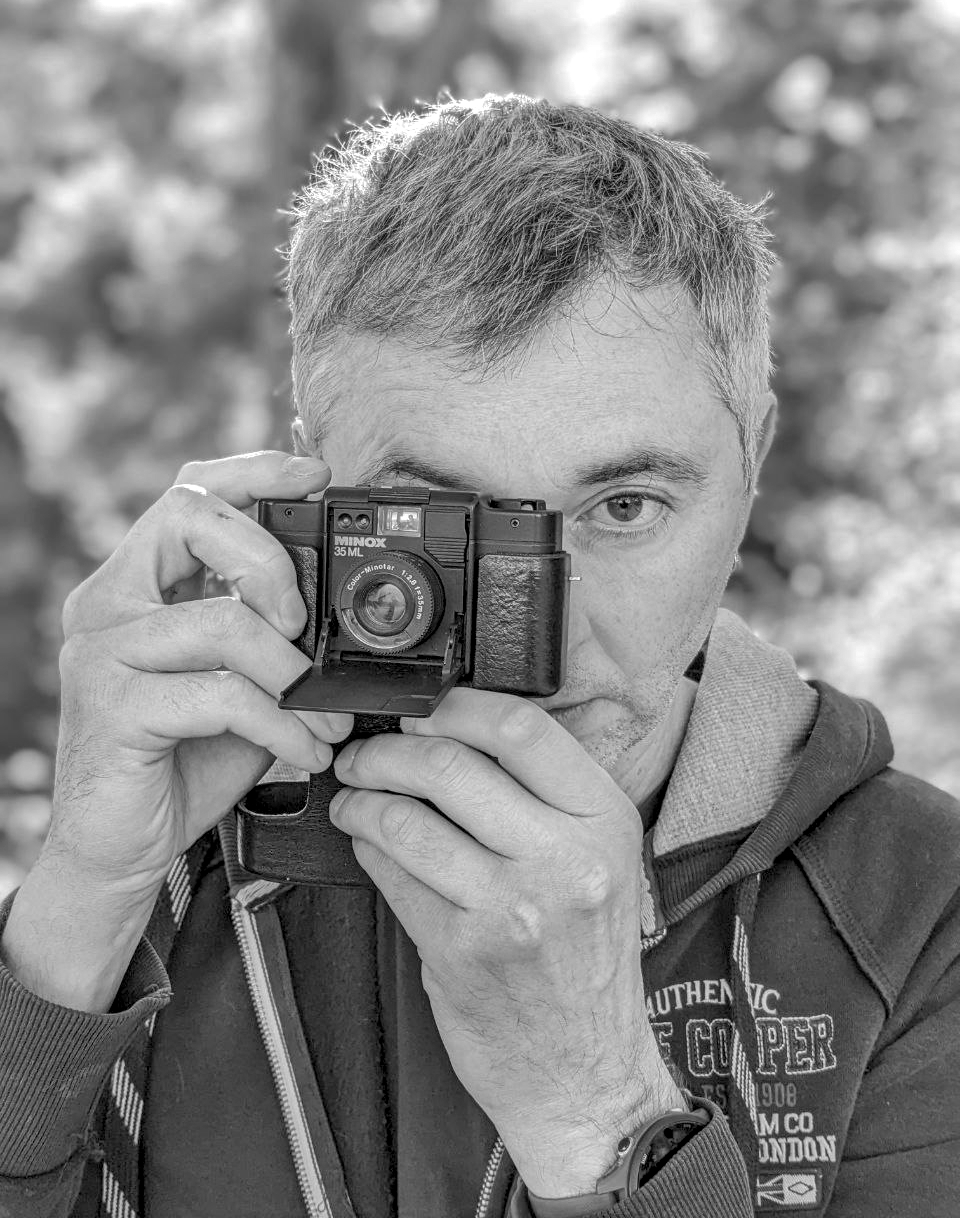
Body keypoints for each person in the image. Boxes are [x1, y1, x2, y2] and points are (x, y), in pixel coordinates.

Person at [0, 94, 958, 1218]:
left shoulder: (916, 907)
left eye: (625, 507)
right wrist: (73, 920)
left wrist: (598, 1107)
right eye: (445, 532)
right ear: (310, 482)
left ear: (751, 466)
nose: (538, 659)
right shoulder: (168, 830)